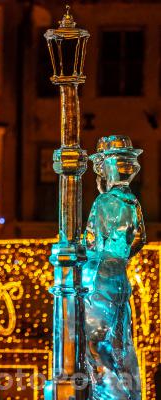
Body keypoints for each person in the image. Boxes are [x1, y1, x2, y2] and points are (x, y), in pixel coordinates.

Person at [83, 136, 146, 400]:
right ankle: (127, 392)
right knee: (120, 339)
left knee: (94, 341)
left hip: (101, 278)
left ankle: (108, 394)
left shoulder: (103, 203)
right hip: (120, 275)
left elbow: (91, 241)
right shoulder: (133, 203)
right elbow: (140, 239)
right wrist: (121, 257)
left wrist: (98, 256)